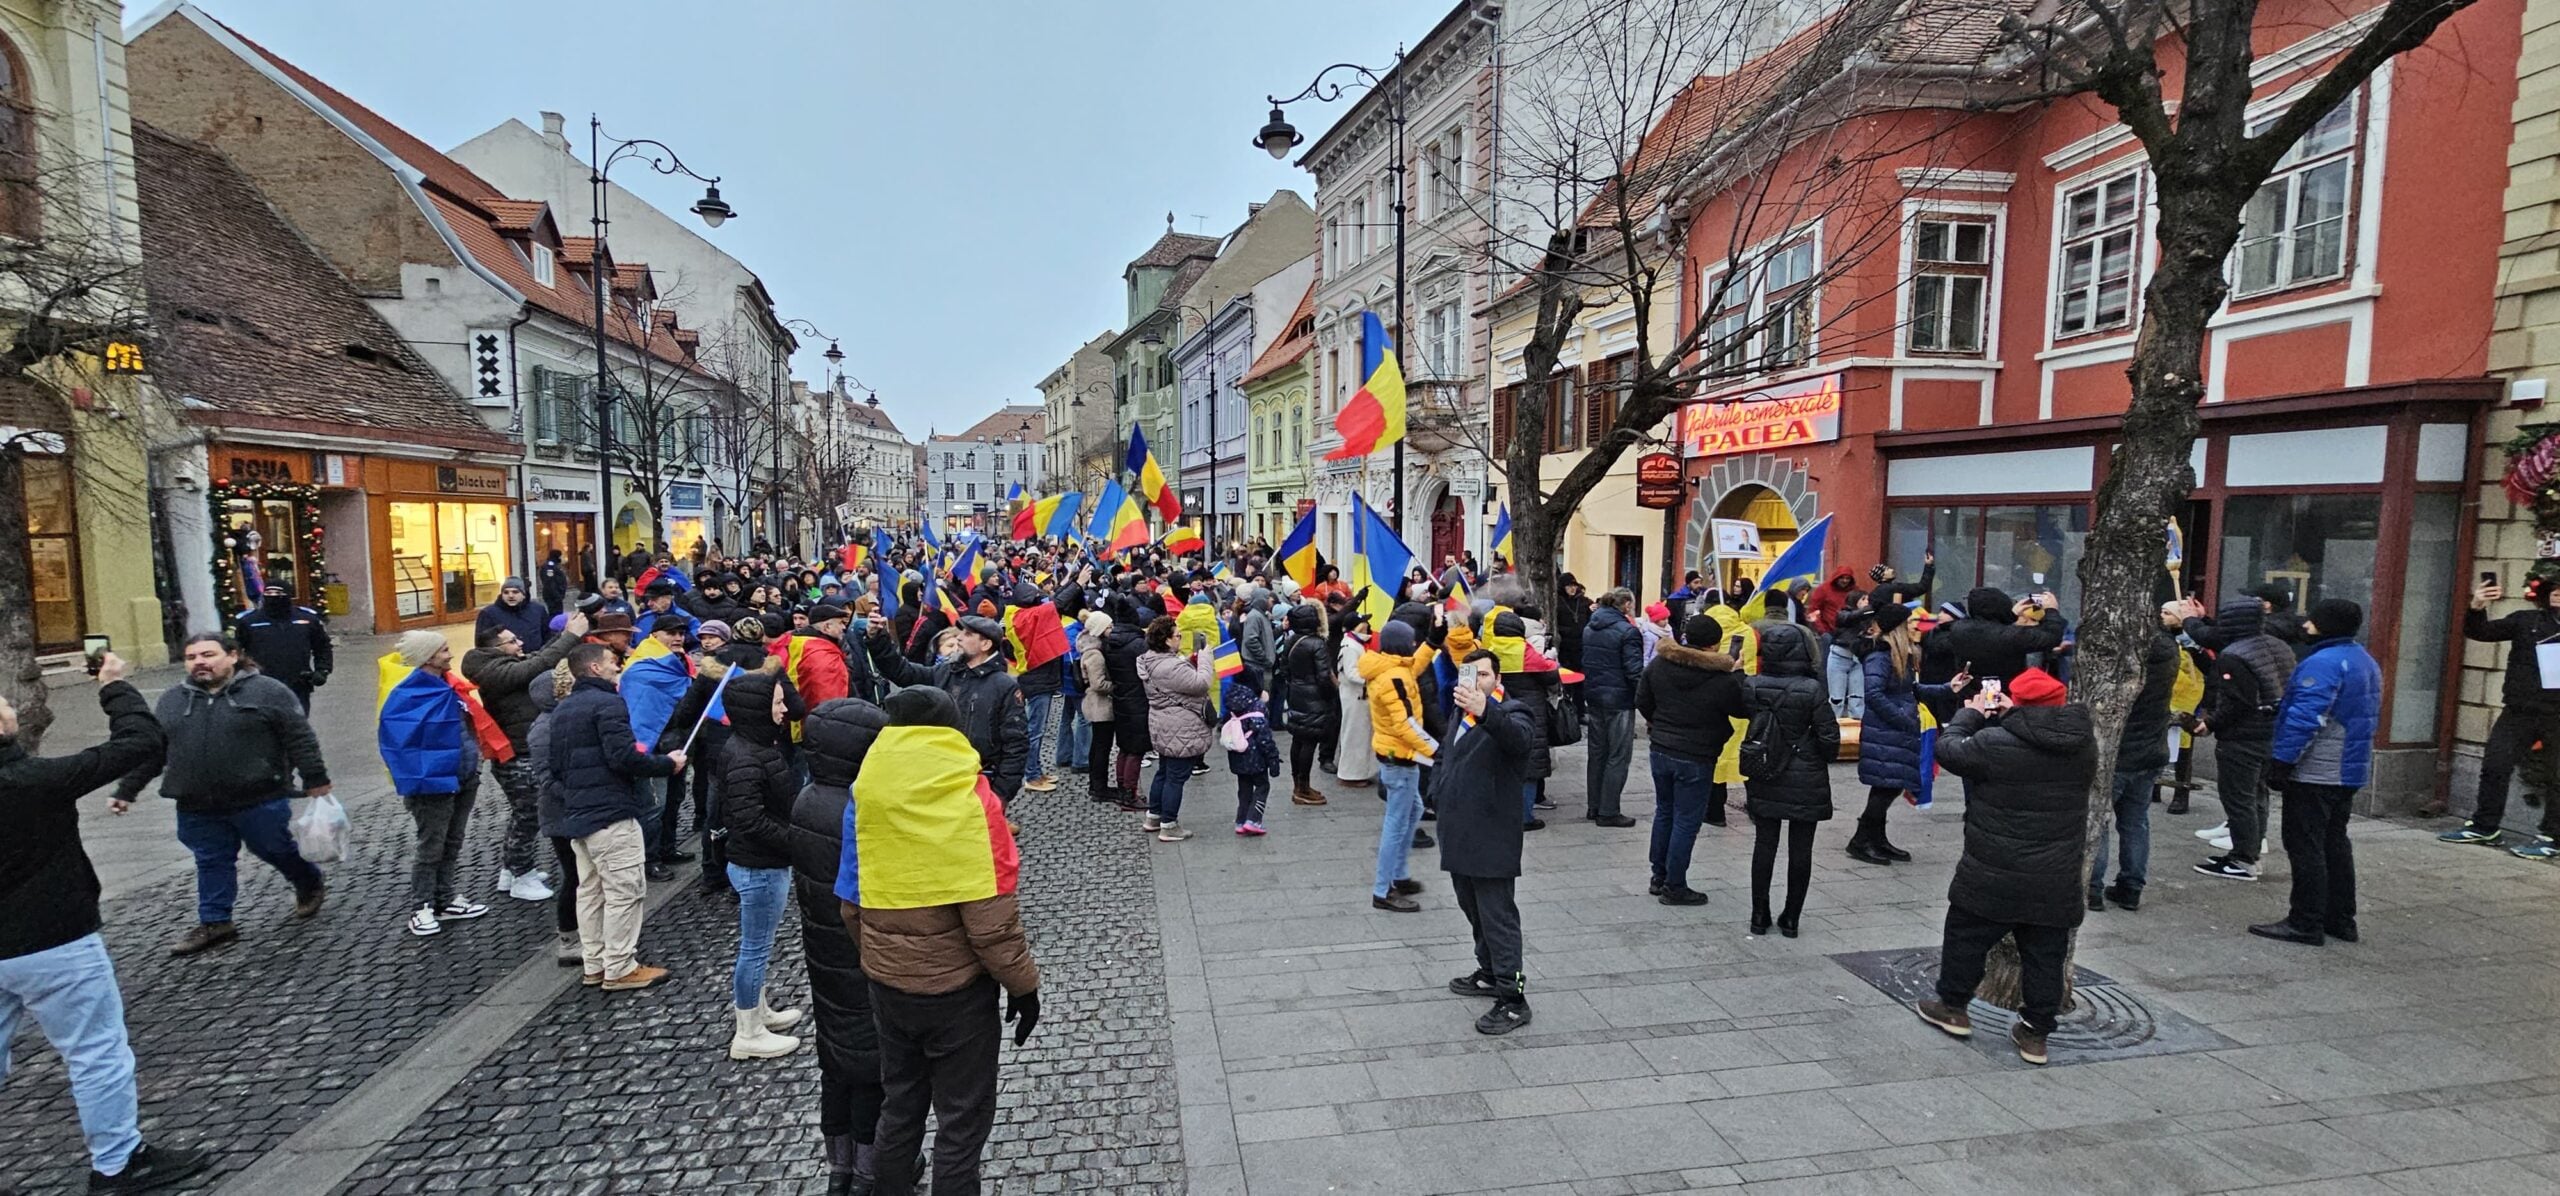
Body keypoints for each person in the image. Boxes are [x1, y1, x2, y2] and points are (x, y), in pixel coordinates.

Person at [2, 652, 212, 1193]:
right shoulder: (32, 780)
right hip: (53, 942)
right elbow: (140, 743)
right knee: (96, 1052)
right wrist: (115, 687)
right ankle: (119, 1163)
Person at [834, 687, 1041, 1196]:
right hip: (956, 992)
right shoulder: (972, 800)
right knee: (961, 1120)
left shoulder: (865, 795)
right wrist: (1022, 987)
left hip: (888, 986)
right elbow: (990, 921)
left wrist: (879, 959)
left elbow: (850, 904)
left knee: (900, 1104)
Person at [1915, 667, 2093, 1066]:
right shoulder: (2083, 745)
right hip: (2054, 875)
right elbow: (2039, 738)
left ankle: (1954, 1007)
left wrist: (1971, 714)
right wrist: (2019, 717)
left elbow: (1949, 749)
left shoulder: (1993, 742)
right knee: (2046, 954)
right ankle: (2036, 1034)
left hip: (1993, 868)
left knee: (1965, 937)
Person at [112, 634, 328, 956]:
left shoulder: (268, 691)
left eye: (208, 654)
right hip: (195, 801)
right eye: (191, 657)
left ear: (233, 656)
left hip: (259, 796)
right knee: (211, 859)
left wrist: (316, 778)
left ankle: (307, 880)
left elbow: (299, 737)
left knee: (273, 847)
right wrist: (127, 789)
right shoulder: (173, 699)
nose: (199, 662)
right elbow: (155, 751)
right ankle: (216, 922)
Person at [789, 697, 893, 1194]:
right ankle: (873, 1172)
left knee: (837, 1061)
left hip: (823, 952)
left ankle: (841, 1168)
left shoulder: (809, 797)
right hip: (861, 954)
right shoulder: (859, 808)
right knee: (871, 1067)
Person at [548, 643, 686, 991]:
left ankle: (595, 965)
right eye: (612, 662)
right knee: (625, 891)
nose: (618, 666)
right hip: (610, 813)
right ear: (594, 668)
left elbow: (556, 768)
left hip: (580, 814)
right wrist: (667, 764)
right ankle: (621, 967)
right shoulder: (608, 703)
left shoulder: (563, 709)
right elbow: (623, 757)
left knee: (591, 893)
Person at [2252, 600, 2383, 943]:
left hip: (2318, 770)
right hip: (2348, 769)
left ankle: (2305, 921)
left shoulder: (2323, 662)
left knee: (2305, 844)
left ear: (2325, 626)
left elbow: (2306, 718)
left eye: (2312, 621)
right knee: (2334, 843)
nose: (2305, 625)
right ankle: (2340, 919)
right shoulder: (2363, 659)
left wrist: (2282, 762)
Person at [1437, 650, 1539, 1034]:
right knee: (1473, 910)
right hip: (1459, 831)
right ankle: (1489, 970)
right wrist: (1438, 792)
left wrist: (1486, 710)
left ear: (1497, 678)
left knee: (1497, 917)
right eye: (1471, 673)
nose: (1476, 681)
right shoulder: (1460, 713)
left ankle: (1513, 999)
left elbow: (1519, 740)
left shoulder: (1512, 712)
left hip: (1491, 834)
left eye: (1484, 674)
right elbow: (1450, 757)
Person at [379, 631, 506, 938]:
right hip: (432, 784)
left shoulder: (447, 687)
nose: (450, 655)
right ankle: (421, 906)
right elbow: (400, 744)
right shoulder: (407, 695)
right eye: (444, 650)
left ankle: (444, 900)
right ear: (428, 656)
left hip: (461, 776)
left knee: (451, 841)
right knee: (431, 845)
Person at [714, 669, 810, 1058]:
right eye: (776, 702)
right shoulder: (745, 757)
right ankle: (748, 1032)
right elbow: (749, 818)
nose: (784, 708)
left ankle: (759, 1010)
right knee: (755, 948)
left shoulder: (754, 746)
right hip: (759, 866)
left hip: (764, 862)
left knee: (760, 947)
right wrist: (797, 842)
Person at [460, 615, 587, 902]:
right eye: (513, 641)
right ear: (496, 647)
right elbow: (538, 665)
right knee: (528, 814)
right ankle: (520, 873)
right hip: (516, 755)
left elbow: (540, 656)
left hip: (522, 749)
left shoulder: (502, 663)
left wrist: (564, 635)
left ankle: (511, 868)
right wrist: (572, 636)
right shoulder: (493, 670)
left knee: (526, 814)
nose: (521, 643)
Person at [1638, 615, 1750, 906]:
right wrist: (1738, 675)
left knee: (1665, 811)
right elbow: (1741, 709)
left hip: (1661, 748)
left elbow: (1643, 700)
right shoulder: (1721, 678)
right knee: (1687, 820)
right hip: (1697, 755)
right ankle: (1675, 885)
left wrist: (1659, 723)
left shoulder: (1660, 663)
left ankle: (1658, 876)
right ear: (1714, 645)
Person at [2443, 571, 2560, 848]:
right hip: (2519, 710)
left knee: (2557, 776)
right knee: (2495, 765)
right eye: (2553, 587)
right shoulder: (2526, 620)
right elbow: (2480, 632)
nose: (2557, 592)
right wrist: (2477, 606)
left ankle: (2553, 836)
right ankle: (2485, 827)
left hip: (2557, 714)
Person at [865, 615, 1030, 807]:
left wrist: (1000, 795)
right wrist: (878, 639)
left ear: (985, 644)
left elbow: (1016, 744)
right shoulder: (945, 671)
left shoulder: (1004, 685)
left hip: (980, 780)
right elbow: (902, 672)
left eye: (968, 634)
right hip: (939, 775)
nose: (959, 638)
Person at [1741, 621, 1839, 937]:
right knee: (1801, 849)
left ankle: (1759, 915)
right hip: (1805, 773)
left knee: (1764, 844)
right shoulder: (1811, 689)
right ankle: (1791, 918)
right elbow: (1829, 738)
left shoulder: (1753, 685)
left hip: (1766, 768)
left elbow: (1747, 715)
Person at [2192, 595, 2292, 881]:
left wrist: (2209, 723)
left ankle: (2243, 859)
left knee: (2239, 799)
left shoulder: (2234, 655)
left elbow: (2237, 702)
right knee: (2258, 795)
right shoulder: (2279, 646)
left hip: (2242, 737)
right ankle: (2251, 852)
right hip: (2271, 731)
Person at [2088, 603, 2181, 910]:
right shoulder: (2169, 651)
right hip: (2151, 749)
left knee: (2098, 820)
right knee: (2135, 822)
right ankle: (2131, 886)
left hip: (2120, 750)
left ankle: (2092, 886)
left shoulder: (2126, 658)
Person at [1849, 605, 1944, 866]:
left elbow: (1909, 689)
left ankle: (1876, 839)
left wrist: (1949, 688)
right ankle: (1860, 841)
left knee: (1887, 786)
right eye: (1910, 622)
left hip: (1894, 730)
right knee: (1885, 787)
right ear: (1897, 628)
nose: (1915, 626)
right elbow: (1875, 694)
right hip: (1887, 731)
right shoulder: (1880, 657)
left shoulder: (1898, 654)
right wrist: (1904, 719)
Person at [1363, 618, 1439, 912]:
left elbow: (1413, 666)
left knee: (1414, 810)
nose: (1412, 645)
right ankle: (1384, 889)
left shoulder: (1391, 668)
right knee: (1396, 824)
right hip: (1401, 755)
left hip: (1397, 753)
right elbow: (1406, 724)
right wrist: (1435, 750)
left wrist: (1432, 642)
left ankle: (1399, 875)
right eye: (1410, 641)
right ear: (1399, 645)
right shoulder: (1393, 678)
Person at [1135, 617, 1213, 842]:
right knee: (1176, 778)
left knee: (1164, 771)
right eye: (1177, 635)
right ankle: (1169, 825)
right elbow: (1201, 683)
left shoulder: (1150, 660)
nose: (1180, 638)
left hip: (1163, 724)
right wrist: (1206, 659)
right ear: (1167, 640)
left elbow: (1176, 679)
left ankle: (1154, 816)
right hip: (1180, 727)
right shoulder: (1171, 665)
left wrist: (1188, 661)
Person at [1577, 588, 1644, 828]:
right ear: (1626, 604)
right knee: (1618, 755)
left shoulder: (1590, 627)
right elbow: (1634, 670)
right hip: (1619, 699)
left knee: (1597, 754)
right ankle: (1608, 810)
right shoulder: (1628, 632)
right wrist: (1645, 699)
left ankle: (1594, 806)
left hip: (1594, 696)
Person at [230, 580, 333, 711]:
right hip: (261, 683)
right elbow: (235, 650)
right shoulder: (249, 621)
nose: (273, 596)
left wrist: (322, 670)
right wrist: (238, 676)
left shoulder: (306, 620)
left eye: (278, 593)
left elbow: (322, 646)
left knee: (296, 723)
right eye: (268, 593)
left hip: (297, 682)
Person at [1281, 603, 1336, 806]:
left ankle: (1299, 785)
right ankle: (1303, 788)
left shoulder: (1292, 640)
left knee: (1298, 739)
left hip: (1296, 694)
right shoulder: (1316, 643)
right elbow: (1324, 676)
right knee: (1310, 742)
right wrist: (1330, 695)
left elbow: (1283, 668)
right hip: (1314, 699)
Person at [1223, 665, 1280, 836]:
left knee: (1244, 788)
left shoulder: (1231, 701)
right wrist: (1273, 759)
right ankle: (1254, 819)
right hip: (1256, 756)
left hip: (1238, 755)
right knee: (1262, 786)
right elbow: (1264, 737)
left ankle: (1241, 820)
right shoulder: (1256, 706)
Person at [1076, 612, 1123, 807]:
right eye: (1109, 627)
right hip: (1100, 706)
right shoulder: (1094, 654)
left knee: (1099, 746)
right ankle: (1099, 787)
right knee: (1101, 747)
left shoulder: (1092, 650)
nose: (1112, 630)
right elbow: (1098, 684)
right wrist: (1115, 687)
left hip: (1098, 705)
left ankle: (1097, 785)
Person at [1334, 612, 1379, 790]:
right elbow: (1352, 673)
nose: (1367, 625)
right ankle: (1350, 774)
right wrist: (1373, 678)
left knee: (1361, 735)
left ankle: (1361, 771)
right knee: (1354, 735)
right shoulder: (1351, 646)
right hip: (1355, 696)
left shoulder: (1357, 643)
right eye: (1363, 622)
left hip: (1360, 695)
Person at [476, 576, 551, 651]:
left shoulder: (538, 610)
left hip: (535, 659)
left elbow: (548, 637)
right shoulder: (488, 614)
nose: (510, 596)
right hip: (504, 661)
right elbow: (482, 645)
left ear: (524, 595)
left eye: (515, 592)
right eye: (506, 592)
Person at [539, 549, 571, 615]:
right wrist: (557, 595)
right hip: (553, 596)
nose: (562, 557)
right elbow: (549, 582)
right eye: (561, 556)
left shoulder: (556, 565)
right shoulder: (549, 566)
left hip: (557, 595)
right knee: (555, 614)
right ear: (557, 556)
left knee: (558, 613)